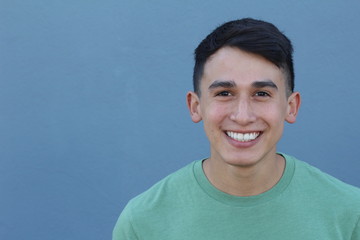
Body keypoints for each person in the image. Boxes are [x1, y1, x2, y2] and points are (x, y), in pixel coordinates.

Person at [113, 18, 360, 239]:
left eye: (261, 93)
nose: (243, 116)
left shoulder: (350, 214)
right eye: (224, 93)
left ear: (291, 107)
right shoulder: (143, 222)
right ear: (195, 106)